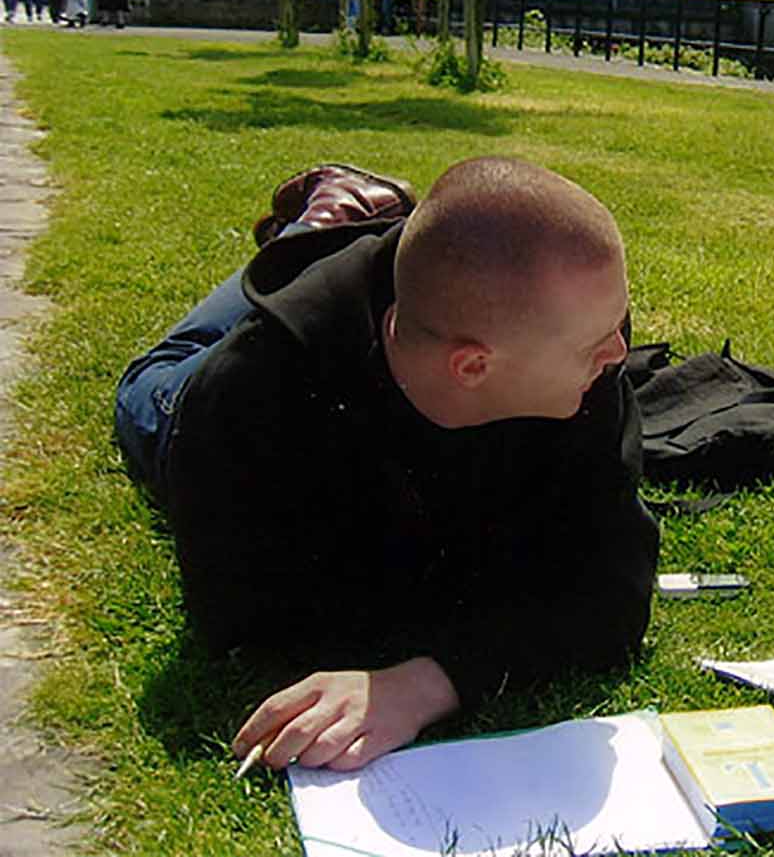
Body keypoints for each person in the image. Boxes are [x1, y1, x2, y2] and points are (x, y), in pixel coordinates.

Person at [114, 158, 660, 771]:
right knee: (149, 382)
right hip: (197, 399)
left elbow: (614, 589)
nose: (620, 354)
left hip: (406, 300)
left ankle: (343, 225)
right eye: (598, 342)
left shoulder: (587, 367)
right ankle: (316, 225)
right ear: (474, 367)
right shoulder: (251, 400)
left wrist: (428, 682)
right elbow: (250, 618)